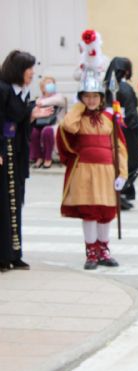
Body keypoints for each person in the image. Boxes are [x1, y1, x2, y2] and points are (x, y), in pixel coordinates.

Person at [56, 69, 127, 269]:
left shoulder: (109, 118)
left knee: (105, 211)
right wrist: (79, 107)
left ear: (101, 98)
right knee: (90, 211)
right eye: (86, 96)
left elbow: (119, 147)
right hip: (85, 171)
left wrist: (122, 173)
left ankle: (104, 249)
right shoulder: (78, 118)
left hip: (106, 171)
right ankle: (91, 252)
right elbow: (68, 126)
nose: (91, 100)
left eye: (95, 96)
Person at [0, 50, 53, 272]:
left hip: (17, 151)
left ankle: (15, 252)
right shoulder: (3, 90)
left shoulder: (22, 91)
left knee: (16, 201)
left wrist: (32, 116)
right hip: (4, 150)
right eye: (28, 69)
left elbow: (20, 119)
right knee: (4, 202)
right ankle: (2, 255)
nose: (32, 73)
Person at [104, 57, 138, 210]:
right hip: (125, 130)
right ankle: (120, 191)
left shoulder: (106, 86)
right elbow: (131, 114)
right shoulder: (123, 88)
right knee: (132, 161)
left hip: (109, 129)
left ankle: (125, 191)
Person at [30, 76, 67, 168]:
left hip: (56, 124)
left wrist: (40, 103)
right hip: (40, 123)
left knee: (47, 131)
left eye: (52, 83)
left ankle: (47, 158)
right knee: (34, 132)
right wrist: (38, 102)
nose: (51, 85)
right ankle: (39, 157)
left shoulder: (59, 96)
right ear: (42, 87)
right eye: (48, 83)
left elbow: (58, 101)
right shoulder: (39, 98)